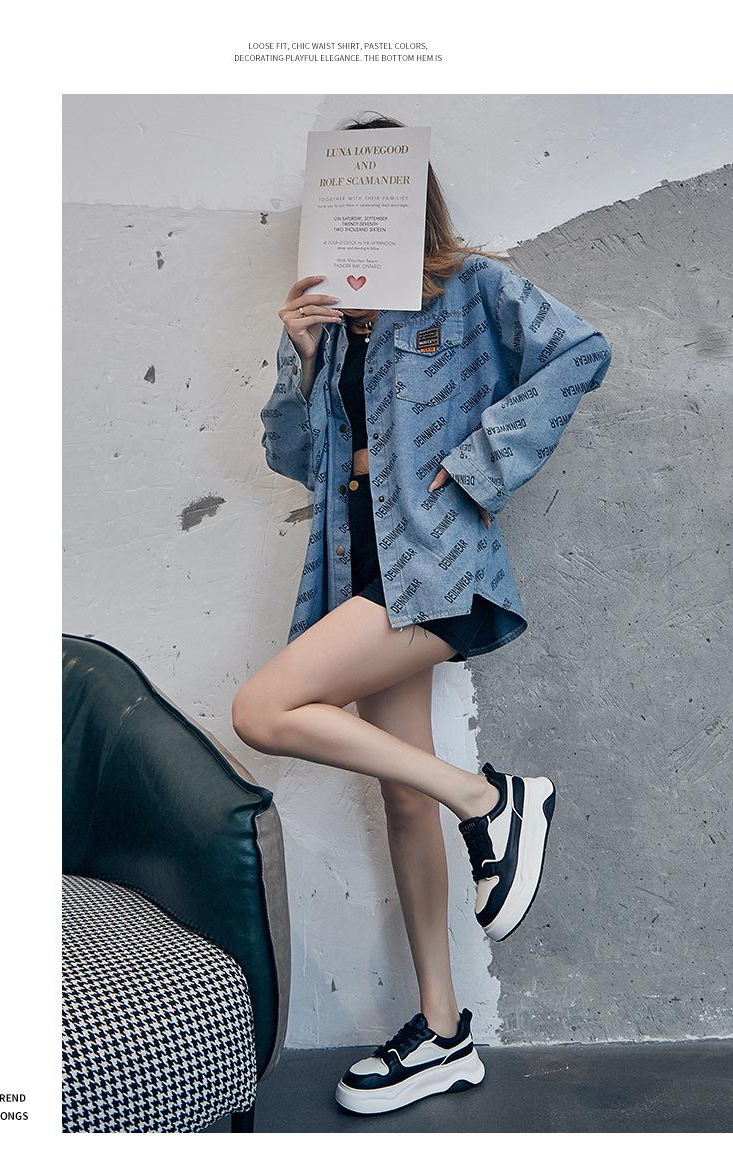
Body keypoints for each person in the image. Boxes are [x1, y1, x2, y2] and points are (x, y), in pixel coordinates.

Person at [232, 114, 613, 1116]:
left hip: (435, 566)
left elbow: (580, 350)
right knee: (404, 797)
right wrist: (298, 355)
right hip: (357, 569)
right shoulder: (329, 323)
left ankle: (490, 800)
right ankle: (443, 1029)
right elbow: (291, 458)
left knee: (262, 709)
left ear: (409, 197)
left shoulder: (469, 289)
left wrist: (482, 461)